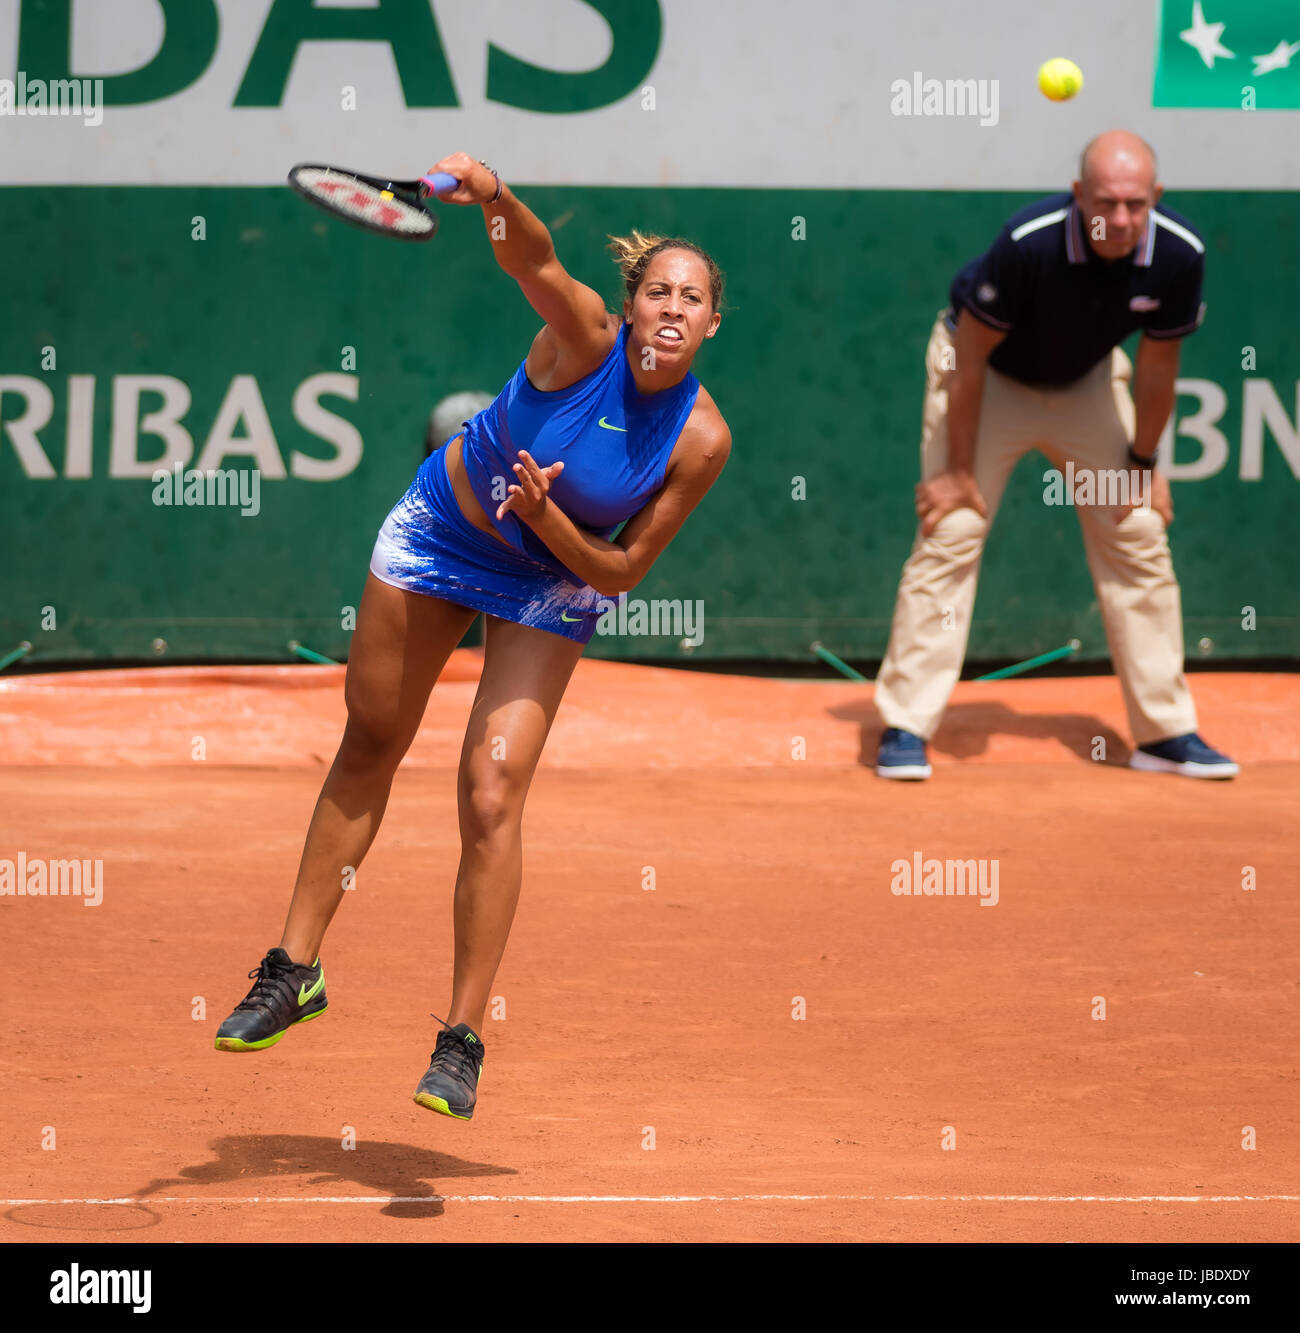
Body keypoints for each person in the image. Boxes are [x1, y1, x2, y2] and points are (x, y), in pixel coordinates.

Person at [214, 151, 731, 1121]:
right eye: (656, 290)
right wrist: (492, 194)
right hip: (442, 533)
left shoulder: (701, 438)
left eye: (690, 298)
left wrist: (550, 529)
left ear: (711, 321)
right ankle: (295, 968)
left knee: (491, 791)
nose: (670, 307)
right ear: (628, 306)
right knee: (371, 739)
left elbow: (618, 572)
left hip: (553, 575)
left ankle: (460, 1037)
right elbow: (530, 262)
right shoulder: (582, 337)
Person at [874, 130, 1237, 781]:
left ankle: (1164, 732)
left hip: (1085, 387)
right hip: (987, 382)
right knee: (953, 526)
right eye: (1104, 202)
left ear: (1155, 197)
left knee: (1137, 526)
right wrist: (958, 472)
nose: (1119, 219)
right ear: (1078, 195)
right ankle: (905, 723)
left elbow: (1157, 369)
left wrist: (1143, 465)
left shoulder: (1180, 254)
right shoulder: (1029, 241)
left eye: (1134, 203)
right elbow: (970, 360)